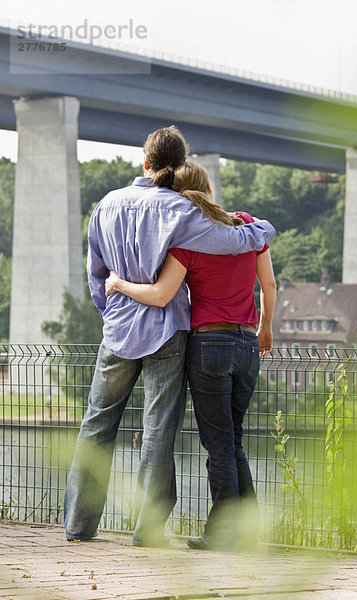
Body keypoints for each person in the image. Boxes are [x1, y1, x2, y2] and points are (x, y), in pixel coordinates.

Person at [64, 126, 276, 547]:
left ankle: (78, 524)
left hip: (118, 329)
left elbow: (96, 276)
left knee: (96, 423)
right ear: (178, 167)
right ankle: (147, 531)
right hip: (168, 330)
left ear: (145, 162)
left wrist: (114, 313)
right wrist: (261, 231)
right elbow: (233, 238)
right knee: (159, 426)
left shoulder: (105, 204)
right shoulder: (182, 211)